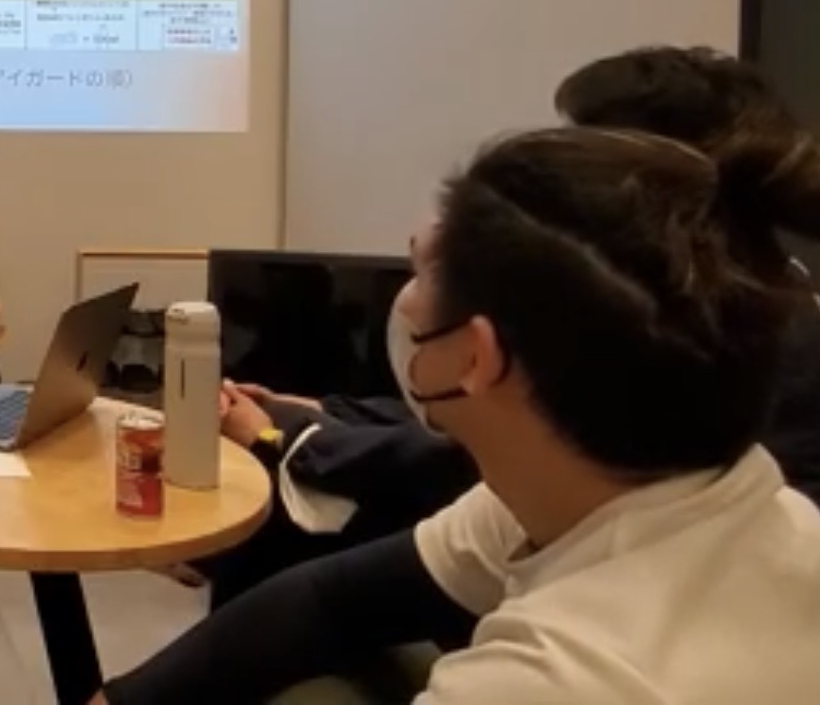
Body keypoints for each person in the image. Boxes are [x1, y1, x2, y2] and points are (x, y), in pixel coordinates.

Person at [98, 125, 820, 703]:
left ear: (476, 354)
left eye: (423, 274)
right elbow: (328, 599)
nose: (407, 304)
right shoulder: (636, 491)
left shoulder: (555, 679)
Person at [196, 45, 820, 606]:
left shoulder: (710, 331)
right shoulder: (727, 294)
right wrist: (318, 416)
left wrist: (292, 437)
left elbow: (475, 458)